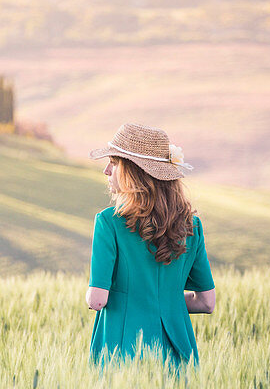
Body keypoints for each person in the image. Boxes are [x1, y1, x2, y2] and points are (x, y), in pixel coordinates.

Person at [85, 123, 215, 367]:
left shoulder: (108, 222)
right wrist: (165, 299)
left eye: (114, 163)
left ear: (132, 173)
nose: (106, 170)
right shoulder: (191, 225)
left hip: (120, 350)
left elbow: (97, 300)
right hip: (177, 351)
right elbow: (206, 302)